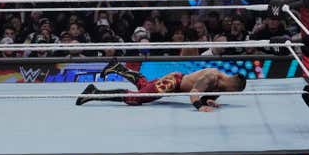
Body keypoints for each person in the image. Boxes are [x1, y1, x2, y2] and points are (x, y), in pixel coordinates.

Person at [76, 60, 245, 111]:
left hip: (175, 85)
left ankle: (117, 68)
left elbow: (206, 96)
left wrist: (208, 101)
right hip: (173, 83)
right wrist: (200, 107)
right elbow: (194, 93)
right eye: (234, 91)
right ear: (233, 85)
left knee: (144, 86)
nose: (232, 93)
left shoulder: (221, 87)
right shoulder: (211, 76)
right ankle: (94, 92)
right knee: (137, 97)